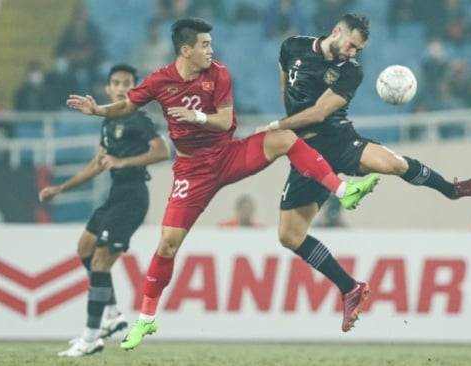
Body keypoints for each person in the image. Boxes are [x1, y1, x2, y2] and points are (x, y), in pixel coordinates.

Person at [66, 17, 379, 350]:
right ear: (185, 50)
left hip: (228, 155)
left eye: (210, 44)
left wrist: (198, 117)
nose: (210, 50)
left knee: (284, 137)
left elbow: (225, 120)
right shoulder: (160, 81)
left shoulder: (219, 73)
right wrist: (99, 110)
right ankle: (146, 319)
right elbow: (129, 104)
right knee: (168, 244)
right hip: (192, 171)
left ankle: (343, 190)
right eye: (204, 45)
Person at [256, 13, 471, 332]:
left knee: (393, 163)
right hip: (307, 153)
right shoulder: (292, 47)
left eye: (358, 49)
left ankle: (450, 189)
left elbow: (321, 112)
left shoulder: (351, 72)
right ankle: (349, 287)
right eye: (351, 45)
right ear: (337, 32)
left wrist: (277, 126)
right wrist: (288, 128)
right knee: (289, 235)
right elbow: (286, 81)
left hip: (337, 139)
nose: (353, 53)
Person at [40, 64, 171, 357]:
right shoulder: (109, 122)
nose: (122, 87)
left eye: (128, 83)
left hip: (133, 197)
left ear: (136, 89)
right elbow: (98, 163)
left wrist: (123, 163)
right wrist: (61, 189)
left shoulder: (139, 119)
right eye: (117, 82)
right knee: (85, 249)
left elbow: (162, 151)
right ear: (108, 89)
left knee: (100, 262)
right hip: (116, 195)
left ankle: (90, 338)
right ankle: (113, 315)